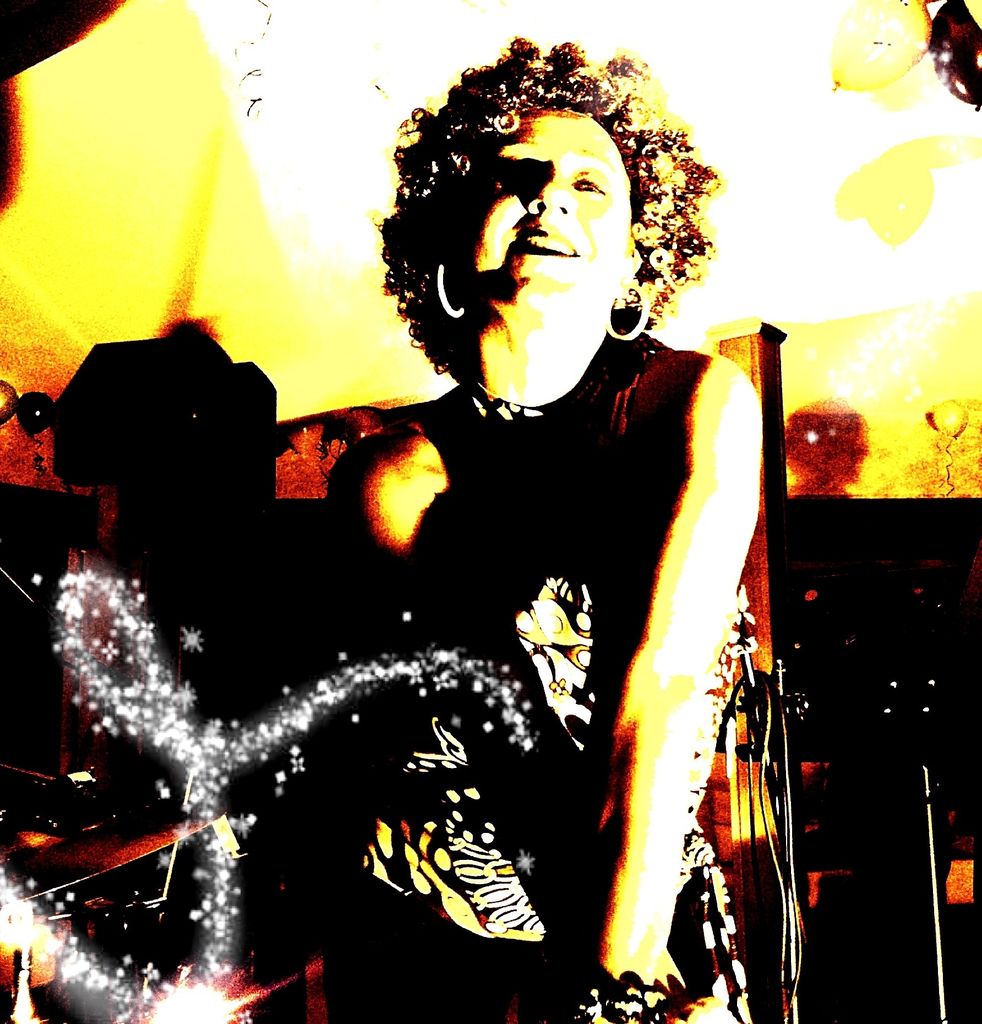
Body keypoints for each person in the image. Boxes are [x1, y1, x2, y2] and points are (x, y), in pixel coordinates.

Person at [320, 38, 762, 1024]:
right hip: (430, 935)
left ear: (636, 259)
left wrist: (623, 981)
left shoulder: (692, 401)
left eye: (590, 184)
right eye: (514, 176)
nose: (551, 196)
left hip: (635, 905)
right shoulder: (392, 472)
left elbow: (661, 689)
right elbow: (501, 725)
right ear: (452, 239)